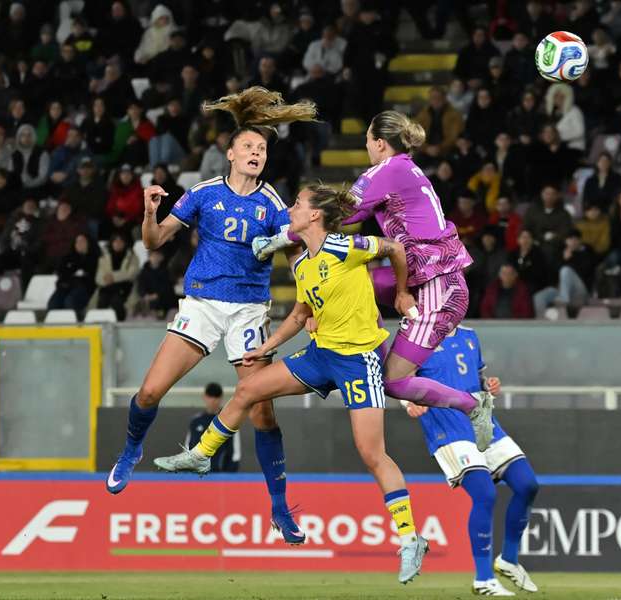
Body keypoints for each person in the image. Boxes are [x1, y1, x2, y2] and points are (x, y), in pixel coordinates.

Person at [154, 184, 430, 583]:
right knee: (249, 389)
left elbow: (395, 248)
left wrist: (402, 293)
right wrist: (265, 347)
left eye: (297, 204)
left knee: (372, 453)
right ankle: (202, 454)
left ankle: (410, 539)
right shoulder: (302, 264)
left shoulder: (346, 248)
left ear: (315, 215)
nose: (290, 209)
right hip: (320, 355)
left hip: (358, 361)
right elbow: (300, 315)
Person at [105, 88, 316, 547]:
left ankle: (280, 508)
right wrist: (149, 212)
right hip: (201, 305)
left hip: (248, 311)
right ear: (231, 154)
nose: (257, 153)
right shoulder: (203, 194)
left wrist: (310, 302)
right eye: (249, 147)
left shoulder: (273, 204)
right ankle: (131, 451)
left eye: (262, 149)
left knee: (262, 411)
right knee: (150, 391)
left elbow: (297, 253)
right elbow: (154, 241)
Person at [253, 110, 494, 449]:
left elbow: (331, 213)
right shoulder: (404, 170)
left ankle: (473, 405)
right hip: (425, 273)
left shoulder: (385, 171)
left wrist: (277, 238)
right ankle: (367, 346)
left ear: (380, 143)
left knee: (393, 382)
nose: (366, 146)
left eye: (367, 140)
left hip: (438, 288)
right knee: (353, 283)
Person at [403, 326, 539, 596]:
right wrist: (408, 402)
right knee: (485, 494)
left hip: (483, 421)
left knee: (527, 484)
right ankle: (483, 579)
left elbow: (477, 378)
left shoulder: (469, 335)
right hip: (447, 426)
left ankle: (508, 560)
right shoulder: (417, 335)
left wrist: (488, 385)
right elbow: (398, 379)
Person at [185, 383, 240, 473]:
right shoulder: (195, 421)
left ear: (221, 398)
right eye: (210, 396)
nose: (213, 400)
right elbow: (188, 448)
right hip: (197, 475)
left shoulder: (229, 421)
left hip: (219, 475)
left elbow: (235, 454)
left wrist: (228, 475)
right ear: (204, 397)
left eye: (216, 396)